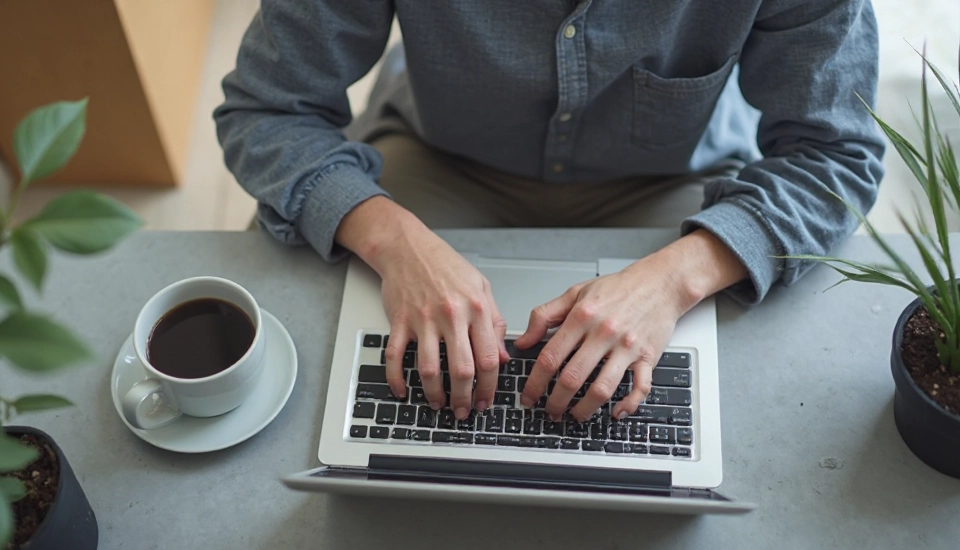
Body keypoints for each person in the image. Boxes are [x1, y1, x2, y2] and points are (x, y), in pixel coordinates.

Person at [213, 1, 885, 426]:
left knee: (723, 417)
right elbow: (268, 110)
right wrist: (394, 243)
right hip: (440, 156)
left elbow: (835, 157)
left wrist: (672, 280)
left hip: (674, 178)